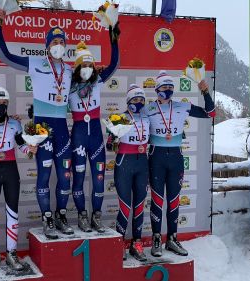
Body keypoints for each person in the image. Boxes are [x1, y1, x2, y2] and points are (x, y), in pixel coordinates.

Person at [0, 9, 73, 239]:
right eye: (54, 41)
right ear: (47, 45)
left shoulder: (69, 70)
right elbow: (5, 56)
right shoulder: (35, 63)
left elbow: (92, 83)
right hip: (42, 130)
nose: (58, 44)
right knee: (44, 176)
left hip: (62, 130)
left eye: (61, 41)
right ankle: (47, 218)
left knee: (65, 176)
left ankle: (61, 215)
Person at [145, 71, 215, 257]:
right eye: (163, 87)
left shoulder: (182, 106)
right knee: (158, 200)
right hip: (156, 157)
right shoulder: (148, 109)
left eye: (170, 87)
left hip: (175, 158)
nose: (167, 90)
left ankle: (172, 239)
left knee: (174, 200)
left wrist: (205, 91)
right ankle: (157, 238)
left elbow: (211, 113)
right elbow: (129, 122)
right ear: (156, 89)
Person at [68, 23, 120, 233]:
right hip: (79, 137)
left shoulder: (98, 82)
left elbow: (115, 63)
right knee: (78, 177)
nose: (88, 69)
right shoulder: (69, 87)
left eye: (91, 65)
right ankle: (82, 214)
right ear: (78, 67)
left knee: (99, 178)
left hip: (96, 137)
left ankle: (96, 216)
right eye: (84, 65)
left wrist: (113, 39)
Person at [0, 86, 37, 271]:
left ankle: (12, 254)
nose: (1, 106)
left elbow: (21, 145)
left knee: (13, 212)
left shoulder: (14, 123)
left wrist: (31, 149)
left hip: (11, 170)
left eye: (4, 103)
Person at [106, 84, 150, 261]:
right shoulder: (119, 118)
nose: (138, 102)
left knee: (139, 206)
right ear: (128, 100)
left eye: (141, 100)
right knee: (125, 207)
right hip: (124, 163)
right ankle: (119, 243)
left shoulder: (147, 118)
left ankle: (136, 243)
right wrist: (114, 138)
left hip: (142, 164)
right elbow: (109, 145)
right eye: (135, 99)